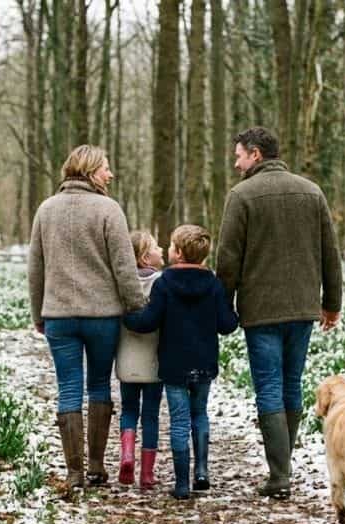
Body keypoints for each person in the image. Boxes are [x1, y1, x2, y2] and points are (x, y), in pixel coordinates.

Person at [215, 127, 343, 498]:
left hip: (260, 311)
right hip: (303, 308)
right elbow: (329, 254)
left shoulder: (241, 196)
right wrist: (331, 304)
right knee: (291, 383)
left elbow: (228, 260)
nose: (236, 163)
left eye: (239, 155)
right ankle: (283, 468)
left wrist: (223, 307)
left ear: (255, 154)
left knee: (270, 386)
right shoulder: (311, 191)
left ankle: (279, 474)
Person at [28, 145, 146, 492]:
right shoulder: (108, 210)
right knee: (98, 384)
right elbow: (125, 268)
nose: (110, 175)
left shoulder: (46, 210)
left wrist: (39, 314)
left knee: (68, 389)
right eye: (105, 168)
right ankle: (96, 466)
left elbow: (36, 270)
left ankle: (74, 472)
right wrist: (137, 307)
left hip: (59, 316)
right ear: (91, 171)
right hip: (102, 316)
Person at [125, 225, 239, 499]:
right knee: (199, 415)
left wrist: (125, 317)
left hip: (174, 365)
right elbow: (226, 325)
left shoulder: (164, 283)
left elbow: (148, 321)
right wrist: (233, 312)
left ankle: (182, 484)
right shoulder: (213, 284)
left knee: (178, 421)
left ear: (177, 253)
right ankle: (202, 471)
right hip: (204, 363)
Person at [114, 231, 165, 488]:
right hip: (154, 360)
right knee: (151, 415)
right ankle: (146, 474)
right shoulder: (162, 283)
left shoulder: (122, 285)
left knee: (129, 409)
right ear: (146, 258)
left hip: (127, 358)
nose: (162, 249)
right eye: (156, 247)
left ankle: (126, 455)